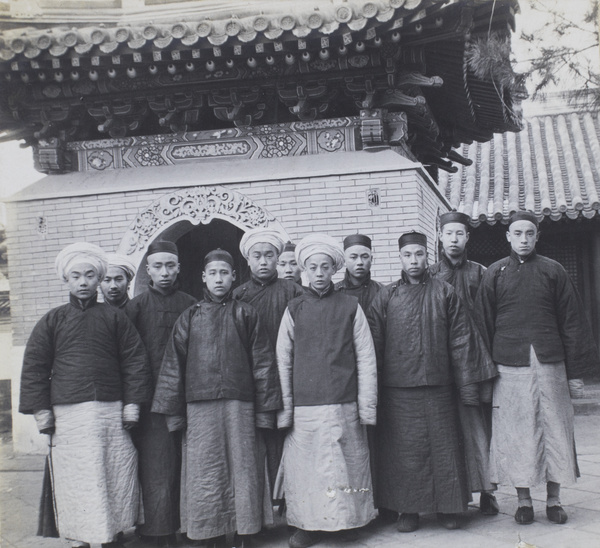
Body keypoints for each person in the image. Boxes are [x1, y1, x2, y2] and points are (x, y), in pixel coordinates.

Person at [19, 242, 152, 548]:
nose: (83, 282)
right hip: (70, 415)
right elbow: (35, 367)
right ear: (66, 279)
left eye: (90, 275)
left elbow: (135, 359)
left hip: (110, 411)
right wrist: (43, 413)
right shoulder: (53, 320)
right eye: (76, 276)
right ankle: (81, 534)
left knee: (113, 469)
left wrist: (132, 404)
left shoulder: (115, 318)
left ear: (98, 279)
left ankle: (112, 532)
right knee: (78, 475)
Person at [475, 210, 600, 525]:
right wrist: (487, 375)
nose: (523, 239)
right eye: (517, 233)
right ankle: (524, 501)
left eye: (529, 233)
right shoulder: (494, 273)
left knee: (555, 430)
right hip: (508, 365)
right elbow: (482, 326)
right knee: (517, 434)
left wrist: (575, 374)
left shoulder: (553, 271)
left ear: (537, 236)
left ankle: (555, 500)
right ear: (508, 236)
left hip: (549, 362)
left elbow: (573, 323)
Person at [152, 249, 282, 547]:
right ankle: (206, 533)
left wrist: (264, 412)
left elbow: (262, 362)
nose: (219, 279)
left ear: (234, 276)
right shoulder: (190, 316)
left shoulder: (246, 313)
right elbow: (174, 364)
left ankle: (243, 531)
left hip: (240, 406)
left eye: (225, 273)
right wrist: (174, 414)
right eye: (213, 273)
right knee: (204, 470)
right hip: (200, 408)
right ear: (203, 278)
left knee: (243, 468)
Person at [367, 232, 496, 533]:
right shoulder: (386, 296)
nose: (414, 261)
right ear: (399, 258)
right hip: (398, 390)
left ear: (428, 255)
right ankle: (408, 510)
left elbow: (462, 341)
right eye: (407, 255)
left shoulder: (445, 292)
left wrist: (466, 387)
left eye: (419, 254)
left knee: (445, 450)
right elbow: (374, 345)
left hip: (440, 387)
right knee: (404, 452)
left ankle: (448, 508)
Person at [276, 233, 377, 548]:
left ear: (335, 268)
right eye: (313, 267)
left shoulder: (350, 306)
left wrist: (366, 405)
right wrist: (286, 408)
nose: (319, 273)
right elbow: (283, 360)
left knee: (345, 464)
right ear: (304, 270)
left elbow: (366, 357)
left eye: (325, 267)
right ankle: (309, 525)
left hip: (344, 401)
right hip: (306, 406)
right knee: (308, 469)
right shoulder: (294, 309)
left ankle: (347, 522)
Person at [126, 239, 196, 546]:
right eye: (158, 266)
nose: (164, 272)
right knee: (156, 467)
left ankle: (189, 527)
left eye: (170, 265)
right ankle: (156, 532)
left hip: (187, 397)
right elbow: (127, 355)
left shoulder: (191, 304)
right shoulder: (135, 306)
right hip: (151, 400)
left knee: (188, 464)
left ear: (178, 268)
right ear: (148, 270)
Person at [429, 211, 499, 515]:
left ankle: (487, 490)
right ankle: (450, 494)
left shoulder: (481, 273)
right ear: (440, 237)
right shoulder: (430, 275)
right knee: (446, 428)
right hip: (442, 363)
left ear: (467, 237)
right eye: (449, 234)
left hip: (475, 362)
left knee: (478, 428)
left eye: (460, 234)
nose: (454, 239)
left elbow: (492, 319)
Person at [233, 228, 304, 514]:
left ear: (278, 259)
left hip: (291, 376)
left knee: (292, 439)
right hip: (254, 379)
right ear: (248, 260)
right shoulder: (239, 297)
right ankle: (263, 506)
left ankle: (292, 501)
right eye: (257, 256)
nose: (263, 262)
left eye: (269, 255)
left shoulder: (295, 292)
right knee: (259, 442)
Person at [335, 234, 381, 311]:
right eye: (353, 257)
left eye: (365, 257)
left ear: (371, 259)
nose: (359, 262)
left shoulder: (381, 291)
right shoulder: (334, 292)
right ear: (344, 260)